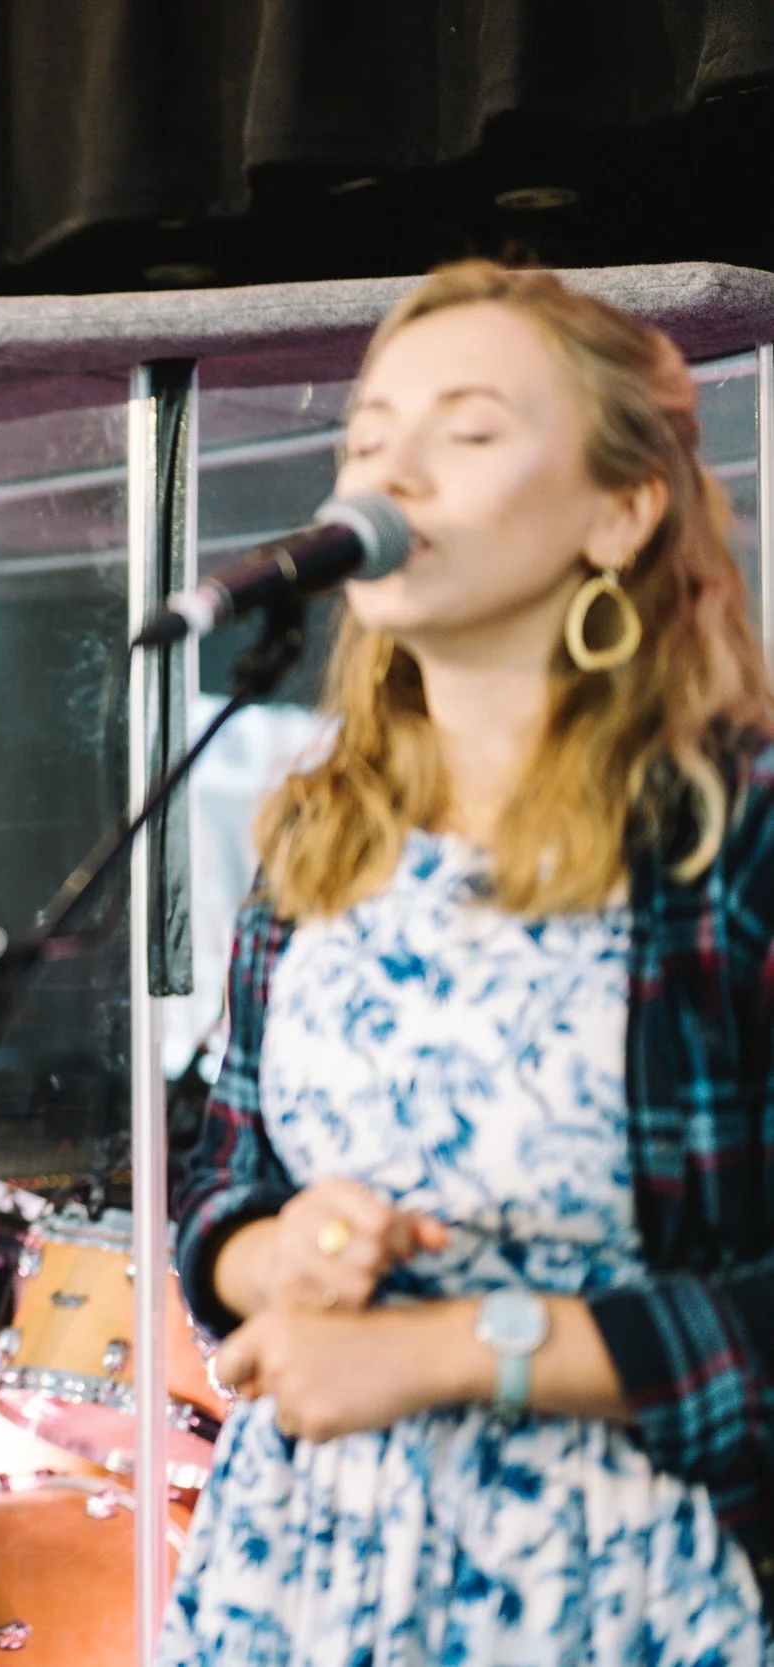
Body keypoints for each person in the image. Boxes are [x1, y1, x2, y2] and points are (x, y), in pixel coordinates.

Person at [163, 260, 774, 1662]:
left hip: (617, 1577)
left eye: (472, 429)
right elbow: (221, 1176)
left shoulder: (731, 836)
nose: (392, 472)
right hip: (298, 1567)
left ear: (622, 511)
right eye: (369, 437)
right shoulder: (321, 830)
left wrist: (446, 1348)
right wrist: (276, 1251)